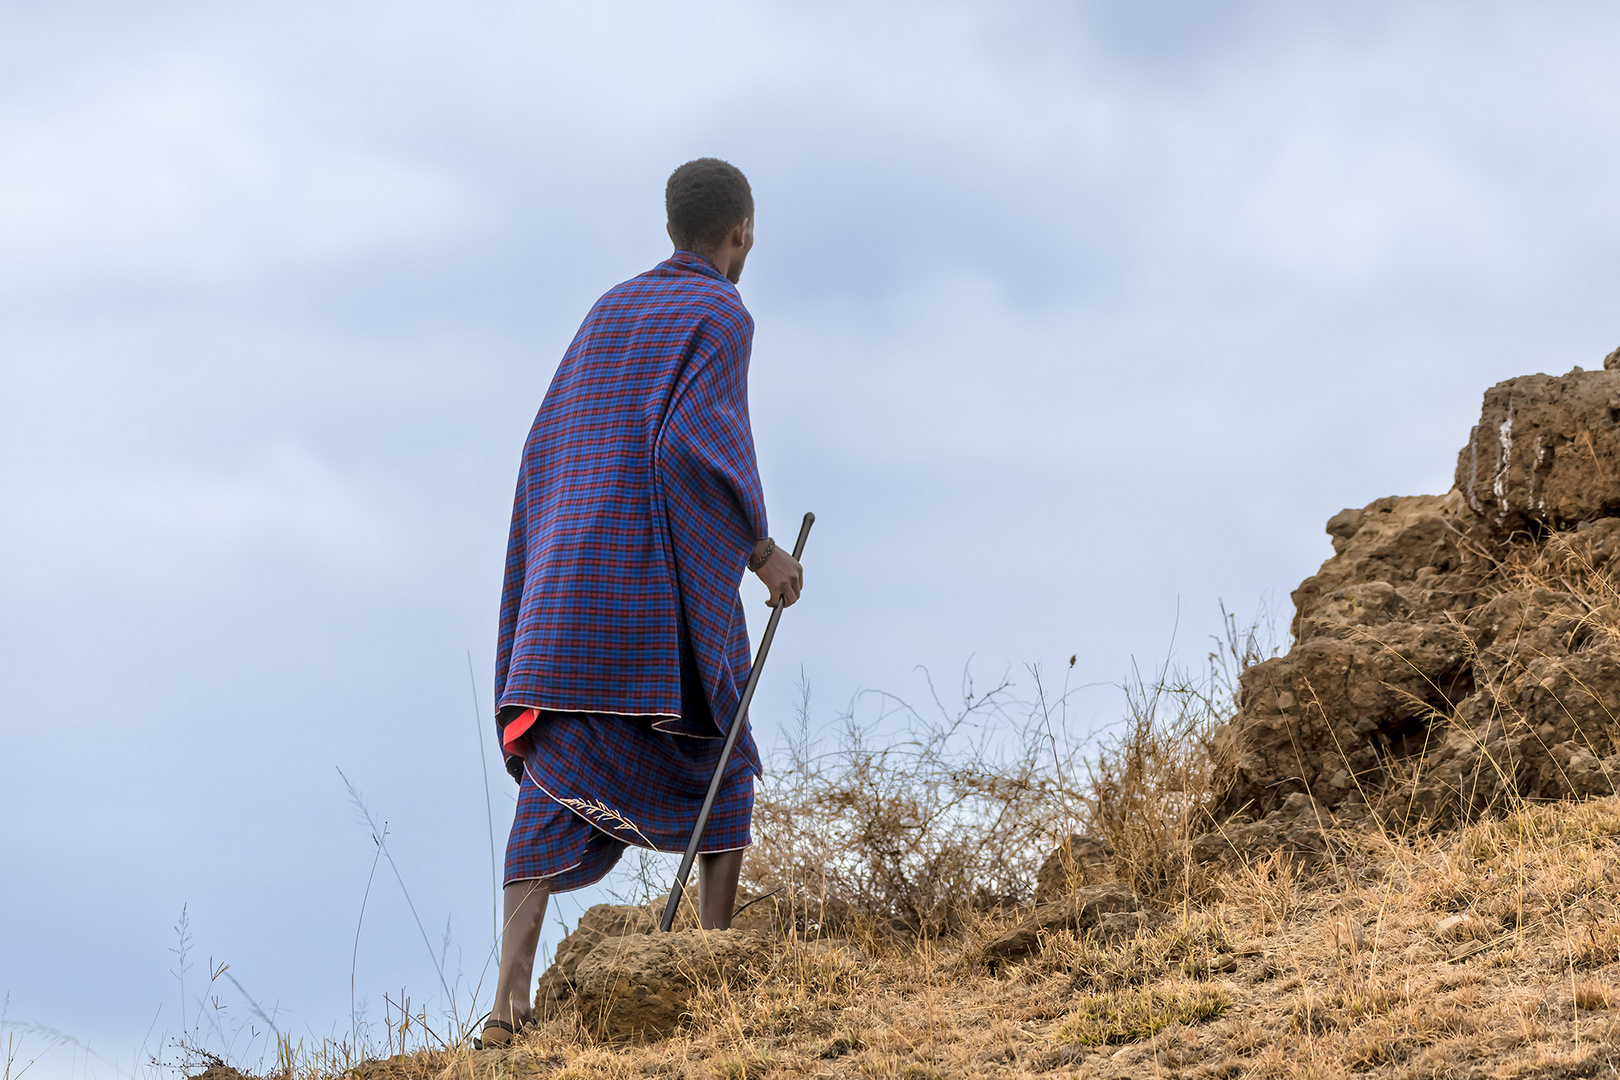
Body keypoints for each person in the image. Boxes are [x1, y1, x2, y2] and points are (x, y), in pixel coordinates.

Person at [479, 158, 803, 1049]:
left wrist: (545, 579)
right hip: (648, 606)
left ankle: (505, 1016)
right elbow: (697, 448)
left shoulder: (606, 310)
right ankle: (710, 969)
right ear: (741, 232)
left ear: (672, 228)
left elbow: (547, 442)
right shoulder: (722, 314)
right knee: (726, 764)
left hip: (563, 601)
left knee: (552, 784)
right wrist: (759, 552)